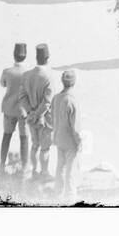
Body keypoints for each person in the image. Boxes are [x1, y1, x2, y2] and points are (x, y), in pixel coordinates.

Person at [20, 43, 56, 180]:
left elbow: (22, 97)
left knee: (34, 145)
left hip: (31, 118)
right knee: (45, 148)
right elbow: (47, 102)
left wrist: (30, 113)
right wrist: (37, 114)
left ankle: (34, 170)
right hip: (44, 119)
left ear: (36, 57)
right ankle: (44, 173)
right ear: (47, 58)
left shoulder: (26, 75)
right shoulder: (48, 77)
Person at [0, 43, 31, 176]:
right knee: (24, 138)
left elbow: (2, 83)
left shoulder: (7, 71)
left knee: (6, 136)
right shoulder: (29, 72)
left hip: (9, 108)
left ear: (14, 55)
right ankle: (24, 166)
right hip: (23, 110)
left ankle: (1, 165)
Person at [52, 69, 82, 199]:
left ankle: (57, 193)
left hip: (59, 138)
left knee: (60, 166)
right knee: (71, 170)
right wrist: (79, 141)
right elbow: (74, 126)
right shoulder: (72, 101)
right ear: (74, 83)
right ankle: (70, 196)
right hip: (70, 141)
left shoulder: (56, 98)